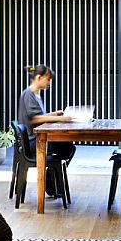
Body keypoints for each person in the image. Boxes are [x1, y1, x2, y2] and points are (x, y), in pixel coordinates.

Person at [19, 66, 76, 196]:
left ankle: (52, 184)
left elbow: (38, 116)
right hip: (33, 142)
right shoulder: (29, 95)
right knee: (67, 148)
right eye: (48, 79)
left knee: (67, 147)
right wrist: (62, 119)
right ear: (39, 78)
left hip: (35, 140)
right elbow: (35, 118)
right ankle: (52, 184)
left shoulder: (34, 95)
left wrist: (55, 114)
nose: (49, 82)